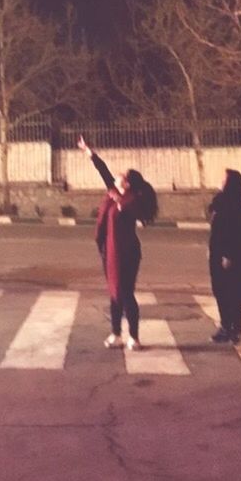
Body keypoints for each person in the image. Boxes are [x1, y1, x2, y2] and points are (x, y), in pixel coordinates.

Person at [77, 135, 158, 350]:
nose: (117, 177)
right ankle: (115, 333)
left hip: (128, 254)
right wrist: (89, 152)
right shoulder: (113, 194)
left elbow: (140, 215)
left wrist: (123, 204)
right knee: (114, 291)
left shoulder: (131, 201)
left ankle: (134, 336)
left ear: (128, 183)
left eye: (121, 176)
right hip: (109, 251)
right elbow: (103, 171)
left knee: (125, 292)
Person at [208, 169, 241, 345]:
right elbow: (216, 229)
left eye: (223, 178)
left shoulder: (234, 205)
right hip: (217, 253)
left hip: (229, 256)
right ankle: (226, 326)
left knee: (232, 293)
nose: (220, 181)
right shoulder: (221, 201)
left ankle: (235, 329)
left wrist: (228, 255)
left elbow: (235, 234)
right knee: (221, 292)